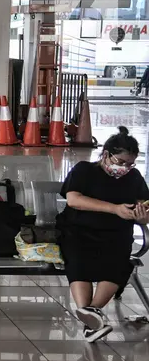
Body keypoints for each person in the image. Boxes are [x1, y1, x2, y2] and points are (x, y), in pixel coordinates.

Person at [56, 127, 149, 343]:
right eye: (121, 161)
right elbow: (74, 200)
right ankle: (91, 319)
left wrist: (141, 215)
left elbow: (142, 209)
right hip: (78, 229)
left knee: (117, 264)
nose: (125, 168)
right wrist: (115, 209)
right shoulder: (84, 170)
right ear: (106, 154)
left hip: (116, 232)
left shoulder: (133, 177)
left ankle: (91, 315)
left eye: (130, 164)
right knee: (79, 261)